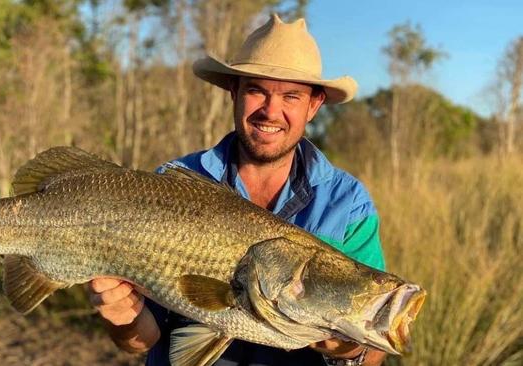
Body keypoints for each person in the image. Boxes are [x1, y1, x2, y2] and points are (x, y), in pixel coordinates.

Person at [88, 14, 387, 366]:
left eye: (290, 96)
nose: (271, 111)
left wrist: (351, 350)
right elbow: (142, 340)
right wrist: (121, 318)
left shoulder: (348, 204)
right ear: (235, 92)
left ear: (314, 104)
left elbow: (374, 351)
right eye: (257, 90)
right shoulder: (172, 183)